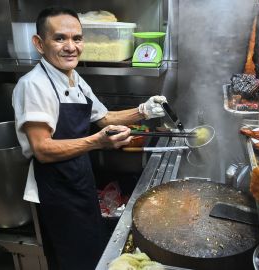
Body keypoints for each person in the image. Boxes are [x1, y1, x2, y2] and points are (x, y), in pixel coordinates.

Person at [12, 6, 167, 270]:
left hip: (78, 178)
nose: (71, 46)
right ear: (39, 43)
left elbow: (103, 118)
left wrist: (144, 110)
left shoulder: (73, 78)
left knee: (94, 251)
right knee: (74, 260)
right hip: (55, 190)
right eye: (60, 38)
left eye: (77, 38)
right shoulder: (34, 85)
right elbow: (42, 149)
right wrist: (97, 141)